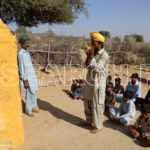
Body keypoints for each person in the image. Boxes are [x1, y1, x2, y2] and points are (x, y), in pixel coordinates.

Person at [81, 31, 109, 134]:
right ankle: (89, 121)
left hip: (98, 84)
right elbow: (87, 66)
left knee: (97, 104)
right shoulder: (94, 54)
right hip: (90, 81)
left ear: (100, 44)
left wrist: (92, 56)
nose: (91, 45)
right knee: (87, 102)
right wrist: (88, 56)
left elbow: (97, 68)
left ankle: (98, 126)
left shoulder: (104, 55)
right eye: (91, 43)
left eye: (93, 43)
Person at [18, 35, 39, 117]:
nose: (28, 44)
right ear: (22, 44)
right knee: (29, 94)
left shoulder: (27, 53)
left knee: (33, 93)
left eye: (28, 43)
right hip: (27, 77)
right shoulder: (21, 54)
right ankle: (28, 110)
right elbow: (21, 67)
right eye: (27, 43)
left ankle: (33, 107)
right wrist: (24, 79)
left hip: (31, 76)